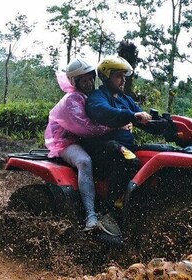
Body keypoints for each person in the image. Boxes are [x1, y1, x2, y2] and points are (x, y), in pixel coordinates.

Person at [44, 58, 112, 231]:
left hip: (83, 139)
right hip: (65, 141)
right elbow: (85, 128)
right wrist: (113, 126)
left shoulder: (90, 96)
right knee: (84, 161)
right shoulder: (72, 99)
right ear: (75, 81)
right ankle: (91, 216)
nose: (89, 83)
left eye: (90, 79)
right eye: (84, 80)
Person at [83, 55, 152, 211]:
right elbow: (104, 112)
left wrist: (169, 125)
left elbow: (144, 119)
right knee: (130, 161)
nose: (123, 80)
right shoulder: (97, 97)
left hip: (124, 146)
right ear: (106, 77)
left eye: (124, 76)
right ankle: (110, 208)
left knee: (159, 152)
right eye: (118, 76)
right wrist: (132, 116)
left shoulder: (124, 99)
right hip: (102, 148)